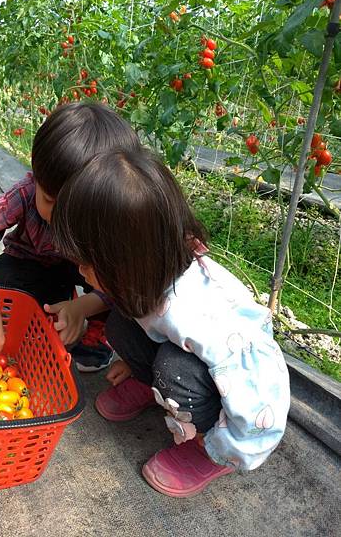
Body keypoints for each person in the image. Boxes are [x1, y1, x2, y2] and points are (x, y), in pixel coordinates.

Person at [51, 148, 290, 497]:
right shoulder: (147, 276)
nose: (80, 271)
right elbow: (142, 320)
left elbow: (257, 396)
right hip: (188, 353)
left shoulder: (201, 318)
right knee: (119, 324)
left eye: (87, 263)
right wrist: (137, 370)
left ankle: (205, 450)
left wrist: (229, 446)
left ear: (127, 263)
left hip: (237, 395)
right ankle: (155, 387)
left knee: (175, 369)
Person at [0, 102, 140, 371]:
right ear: (36, 176)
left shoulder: (115, 220)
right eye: (50, 201)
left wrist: (82, 308)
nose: (62, 222)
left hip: (90, 271)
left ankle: (95, 334)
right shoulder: (25, 193)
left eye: (78, 216)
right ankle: (41, 310)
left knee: (120, 289)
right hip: (34, 261)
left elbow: (124, 283)